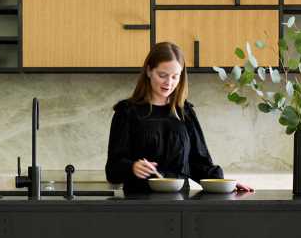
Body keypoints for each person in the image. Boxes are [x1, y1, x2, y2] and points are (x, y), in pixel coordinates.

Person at [105, 42, 251, 194]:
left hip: (180, 206)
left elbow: (199, 163)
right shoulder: (127, 112)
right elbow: (112, 171)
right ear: (149, 71)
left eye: (175, 77)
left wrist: (224, 183)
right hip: (138, 206)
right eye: (162, 75)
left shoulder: (185, 112)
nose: (169, 83)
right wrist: (132, 167)